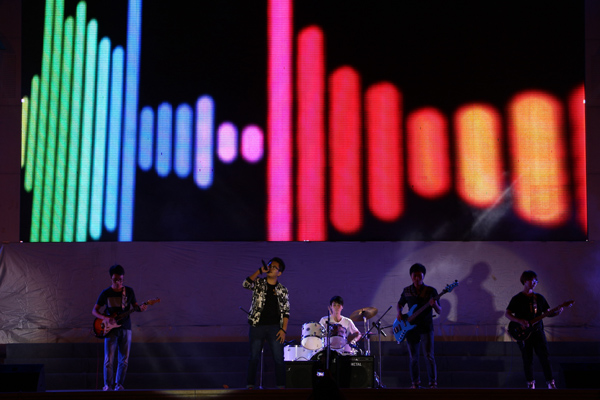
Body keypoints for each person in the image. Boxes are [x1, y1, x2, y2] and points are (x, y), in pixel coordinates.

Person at [92, 264, 147, 391]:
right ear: (111, 278)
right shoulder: (106, 293)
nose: (118, 282)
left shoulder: (129, 291)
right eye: (115, 279)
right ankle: (107, 385)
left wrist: (142, 308)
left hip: (125, 328)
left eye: (120, 280)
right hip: (109, 329)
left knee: (124, 359)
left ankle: (119, 384)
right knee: (109, 359)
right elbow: (94, 311)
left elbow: (136, 307)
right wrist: (106, 318)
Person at [505, 270, 563, 389]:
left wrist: (557, 312)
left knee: (545, 357)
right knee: (527, 359)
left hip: (538, 332)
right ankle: (531, 383)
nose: (535, 282)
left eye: (536, 281)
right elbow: (508, 314)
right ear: (525, 280)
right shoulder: (517, 298)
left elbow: (547, 313)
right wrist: (520, 321)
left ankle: (551, 383)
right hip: (523, 333)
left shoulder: (539, 298)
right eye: (532, 280)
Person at [243, 257, 290, 389]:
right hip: (257, 325)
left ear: (279, 273)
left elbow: (286, 311)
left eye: (274, 267)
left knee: (278, 358)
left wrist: (283, 330)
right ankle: (250, 385)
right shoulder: (259, 283)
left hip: (275, 327)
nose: (271, 268)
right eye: (270, 265)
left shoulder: (282, 290)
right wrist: (259, 271)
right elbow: (246, 284)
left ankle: (281, 386)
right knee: (254, 357)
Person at [396, 263, 441, 389]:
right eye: (414, 275)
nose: (417, 278)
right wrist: (399, 313)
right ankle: (415, 383)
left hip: (426, 327)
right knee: (413, 358)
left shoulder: (431, 291)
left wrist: (434, 304)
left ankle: (433, 383)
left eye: (419, 275)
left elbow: (439, 310)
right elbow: (400, 304)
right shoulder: (407, 291)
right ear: (411, 276)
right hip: (411, 328)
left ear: (423, 276)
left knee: (429, 356)